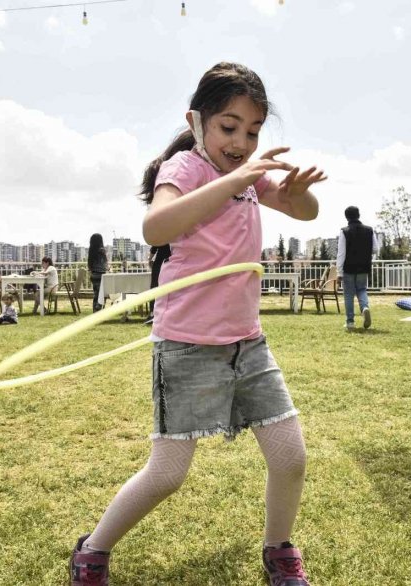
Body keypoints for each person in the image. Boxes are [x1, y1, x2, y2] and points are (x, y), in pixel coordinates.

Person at [69, 62, 325, 586]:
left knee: (290, 456)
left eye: (253, 132)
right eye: (229, 127)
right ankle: (92, 549)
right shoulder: (186, 169)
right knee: (168, 473)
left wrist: (296, 192)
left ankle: (279, 548)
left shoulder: (250, 178)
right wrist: (232, 179)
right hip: (187, 346)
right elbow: (155, 226)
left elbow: (308, 214)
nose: (241, 142)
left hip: (247, 345)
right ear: (197, 119)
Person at [336, 205, 378, 331]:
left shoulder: (344, 231)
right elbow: (375, 249)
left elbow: (341, 253)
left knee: (348, 294)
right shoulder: (370, 230)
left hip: (349, 267)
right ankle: (364, 307)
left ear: (346, 217)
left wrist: (339, 271)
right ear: (359, 215)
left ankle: (350, 322)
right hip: (364, 266)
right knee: (362, 289)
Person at [144, 244, 171, 325]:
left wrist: (149, 260)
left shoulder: (160, 233)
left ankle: (153, 314)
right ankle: (167, 314)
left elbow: (154, 248)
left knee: (154, 288)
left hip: (159, 262)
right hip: (170, 262)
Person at [88, 234, 109, 312]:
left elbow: (90, 265)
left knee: (96, 295)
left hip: (93, 275)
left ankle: (95, 311)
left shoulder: (91, 251)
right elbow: (105, 264)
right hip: (101, 276)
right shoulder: (102, 250)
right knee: (103, 294)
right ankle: (98, 309)